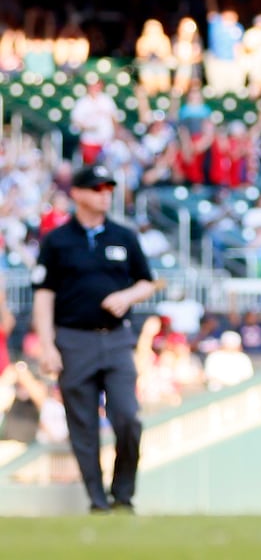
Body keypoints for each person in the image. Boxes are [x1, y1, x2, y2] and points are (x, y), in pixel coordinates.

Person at [30, 165, 157, 513]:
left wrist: (127, 297)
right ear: (78, 193)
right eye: (97, 188)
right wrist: (47, 345)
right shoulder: (57, 241)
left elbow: (147, 281)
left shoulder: (124, 236)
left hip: (116, 339)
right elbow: (44, 294)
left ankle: (123, 493)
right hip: (73, 340)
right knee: (83, 427)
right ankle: (97, 501)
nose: (104, 193)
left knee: (128, 417)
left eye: (108, 188)